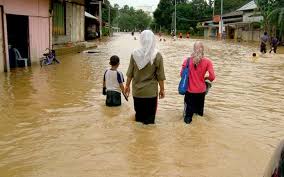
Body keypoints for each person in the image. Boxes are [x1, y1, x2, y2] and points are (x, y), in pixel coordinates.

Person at [125, 30, 166, 125]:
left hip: (137, 92)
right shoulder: (157, 55)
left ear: (141, 39)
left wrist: (127, 86)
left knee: (138, 120)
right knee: (150, 122)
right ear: (153, 40)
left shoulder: (134, 54)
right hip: (151, 93)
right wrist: (162, 89)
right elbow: (160, 76)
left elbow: (130, 73)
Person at [180, 41, 215, 124]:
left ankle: (187, 132)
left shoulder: (187, 61)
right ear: (203, 50)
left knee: (188, 117)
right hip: (201, 92)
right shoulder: (207, 62)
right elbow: (212, 77)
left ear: (193, 49)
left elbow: (182, 75)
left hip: (189, 92)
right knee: (199, 115)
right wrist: (205, 77)